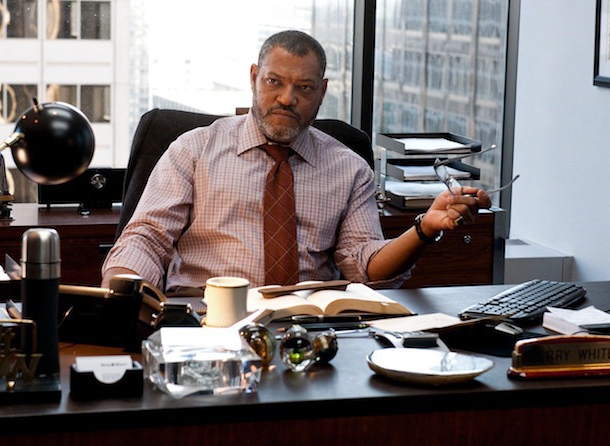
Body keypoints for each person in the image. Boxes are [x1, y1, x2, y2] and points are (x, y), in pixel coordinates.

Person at [102, 30, 491, 293]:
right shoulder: (193, 150)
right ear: (254, 78)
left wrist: (425, 229)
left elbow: (366, 268)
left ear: (322, 92)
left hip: (308, 329)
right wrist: (122, 292)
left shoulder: (349, 169)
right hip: (208, 318)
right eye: (274, 82)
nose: (287, 98)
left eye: (303, 87)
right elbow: (147, 239)